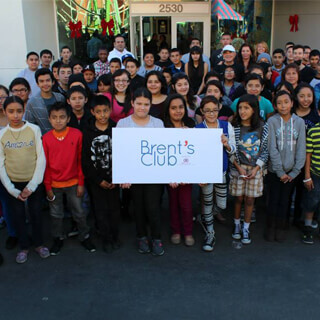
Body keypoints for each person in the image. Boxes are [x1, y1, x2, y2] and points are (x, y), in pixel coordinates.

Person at [43, 102, 96, 255]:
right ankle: (57, 238)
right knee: (56, 214)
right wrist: (48, 187)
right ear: (49, 119)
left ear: (68, 118)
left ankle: (84, 236)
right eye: (54, 117)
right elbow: (44, 165)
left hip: (74, 183)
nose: (58, 120)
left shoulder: (77, 135)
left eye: (62, 117)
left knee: (79, 212)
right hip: (54, 184)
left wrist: (81, 183)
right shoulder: (45, 139)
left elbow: (81, 160)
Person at [0, 96, 48, 264]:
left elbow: (41, 158)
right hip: (13, 184)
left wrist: (33, 185)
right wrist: (12, 189)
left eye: (19, 111)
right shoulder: (2, 134)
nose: (15, 115)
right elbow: (1, 165)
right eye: (11, 111)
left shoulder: (34, 129)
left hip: (33, 183)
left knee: (36, 214)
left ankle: (39, 244)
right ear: (5, 112)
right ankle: (23, 247)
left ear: (24, 110)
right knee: (18, 216)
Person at [117, 88, 165, 256]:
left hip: (154, 175)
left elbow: (163, 150)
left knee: (153, 207)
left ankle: (156, 237)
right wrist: (123, 175)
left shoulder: (158, 123)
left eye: (146, 104)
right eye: (139, 104)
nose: (142, 108)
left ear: (151, 105)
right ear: (132, 103)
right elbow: (120, 151)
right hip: (132, 176)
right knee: (138, 208)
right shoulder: (123, 123)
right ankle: (141, 236)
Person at [82, 95, 121, 253]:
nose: (103, 115)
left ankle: (114, 236)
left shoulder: (116, 129)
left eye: (105, 111)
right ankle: (105, 237)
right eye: (99, 112)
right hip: (96, 181)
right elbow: (86, 159)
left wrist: (116, 178)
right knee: (100, 210)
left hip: (114, 178)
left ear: (110, 110)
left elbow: (122, 154)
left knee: (114, 209)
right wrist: (98, 180)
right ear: (92, 112)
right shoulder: (87, 132)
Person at [196, 95, 235, 250]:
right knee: (207, 201)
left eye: (214, 110)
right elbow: (194, 153)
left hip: (221, 171)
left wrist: (227, 144)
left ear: (219, 109)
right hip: (205, 172)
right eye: (208, 111)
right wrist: (198, 175)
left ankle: (206, 217)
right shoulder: (198, 129)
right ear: (202, 111)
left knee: (222, 204)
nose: (211, 114)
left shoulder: (226, 126)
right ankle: (210, 233)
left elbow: (233, 149)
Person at [266, 91, 306, 242]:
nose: (283, 105)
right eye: (279, 103)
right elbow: (272, 148)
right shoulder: (272, 122)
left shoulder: (300, 122)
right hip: (275, 171)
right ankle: (271, 227)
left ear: (292, 103)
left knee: (285, 201)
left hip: (292, 172)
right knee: (274, 200)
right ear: (275, 106)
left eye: (286, 102)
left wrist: (295, 171)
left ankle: (282, 227)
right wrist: (280, 171)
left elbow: (301, 148)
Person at [229, 94, 268, 244]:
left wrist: (257, 167)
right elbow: (230, 150)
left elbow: (265, 150)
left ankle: (246, 227)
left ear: (254, 109)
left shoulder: (262, 127)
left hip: (255, 169)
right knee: (238, 198)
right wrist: (238, 167)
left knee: (250, 200)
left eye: (246, 108)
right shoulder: (234, 127)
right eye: (240, 108)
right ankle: (237, 225)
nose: (242, 111)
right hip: (238, 168)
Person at [163, 94, 195, 246]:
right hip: (169, 174)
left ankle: (188, 232)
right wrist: (169, 176)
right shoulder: (162, 127)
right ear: (168, 110)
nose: (177, 111)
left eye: (181, 107)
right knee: (173, 204)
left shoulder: (190, 125)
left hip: (186, 173)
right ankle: (176, 230)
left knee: (186, 205)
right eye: (173, 108)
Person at [291, 83, 320, 227]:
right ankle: (287, 218)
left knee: (304, 193)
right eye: (302, 96)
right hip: (290, 159)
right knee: (289, 189)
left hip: (308, 161)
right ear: (296, 97)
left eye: (309, 96)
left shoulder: (315, 116)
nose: (305, 99)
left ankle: (300, 219)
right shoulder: (290, 112)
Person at [25, 68, 65, 134]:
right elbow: (30, 124)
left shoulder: (60, 98)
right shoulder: (32, 103)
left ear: (53, 82)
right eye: (41, 81)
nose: (45, 84)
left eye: (48, 80)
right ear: (37, 84)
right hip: (42, 139)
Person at [302, 121, 320, 244]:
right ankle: (307, 228)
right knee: (312, 201)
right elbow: (308, 155)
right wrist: (307, 176)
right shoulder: (313, 131)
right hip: (315, 174)